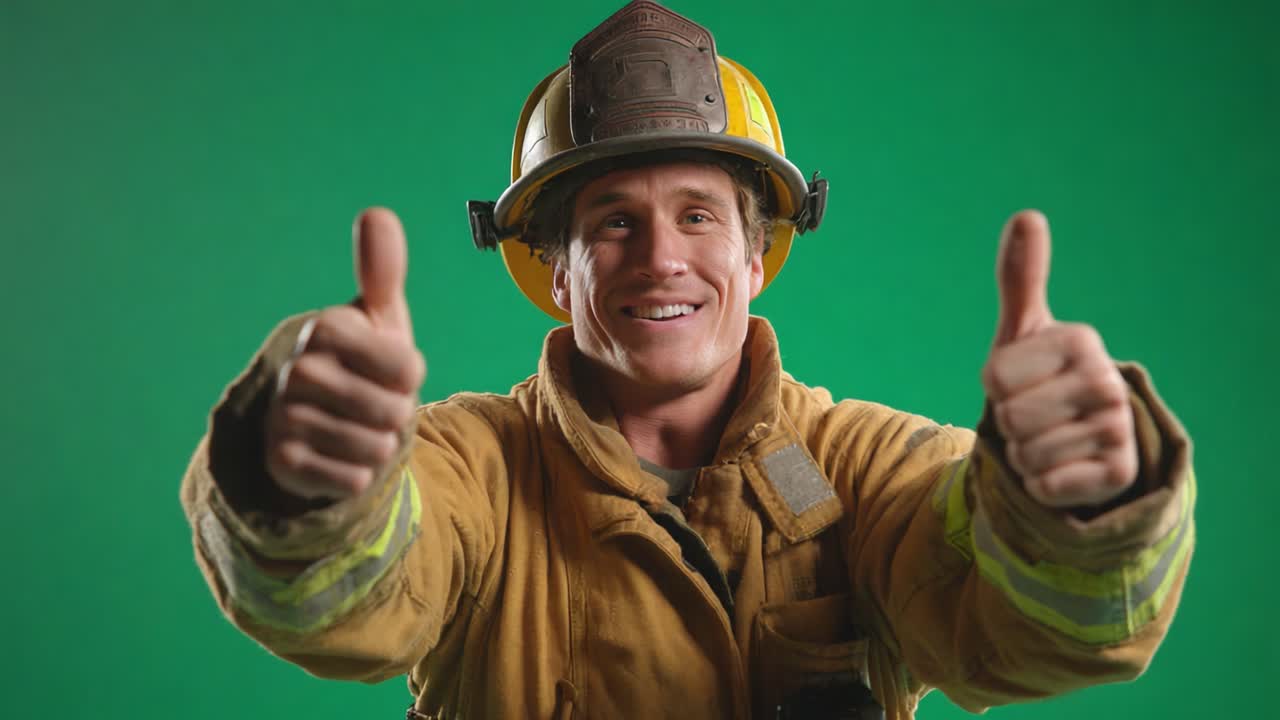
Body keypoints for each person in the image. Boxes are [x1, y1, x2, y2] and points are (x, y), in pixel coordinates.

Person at [180, 2, 1195, 718]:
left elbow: (1027, 635)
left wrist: (1076, 510)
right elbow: (347, 610)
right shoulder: (470, 468)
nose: (660, 256)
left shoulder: (859, 470)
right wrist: (309, 487)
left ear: (756, 257)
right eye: (613, 222)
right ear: (556, 275)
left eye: (698, 216)